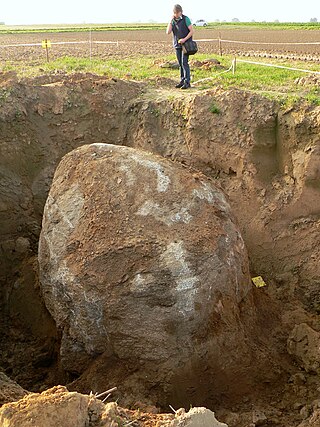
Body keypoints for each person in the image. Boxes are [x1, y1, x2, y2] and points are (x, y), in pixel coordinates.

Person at [166, 4, 194, 89]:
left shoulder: (186, 19)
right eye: (174, 13)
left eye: (177, 13)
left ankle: (187, 82)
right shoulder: (173, 21)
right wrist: (170, 21)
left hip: (186, 45)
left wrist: (184, 39)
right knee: (180, 64)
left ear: (181, 12)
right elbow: (168, 32)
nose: (176, 14)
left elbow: (192, 31)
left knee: (184, 62)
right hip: (177, 45)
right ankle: (182, 80)